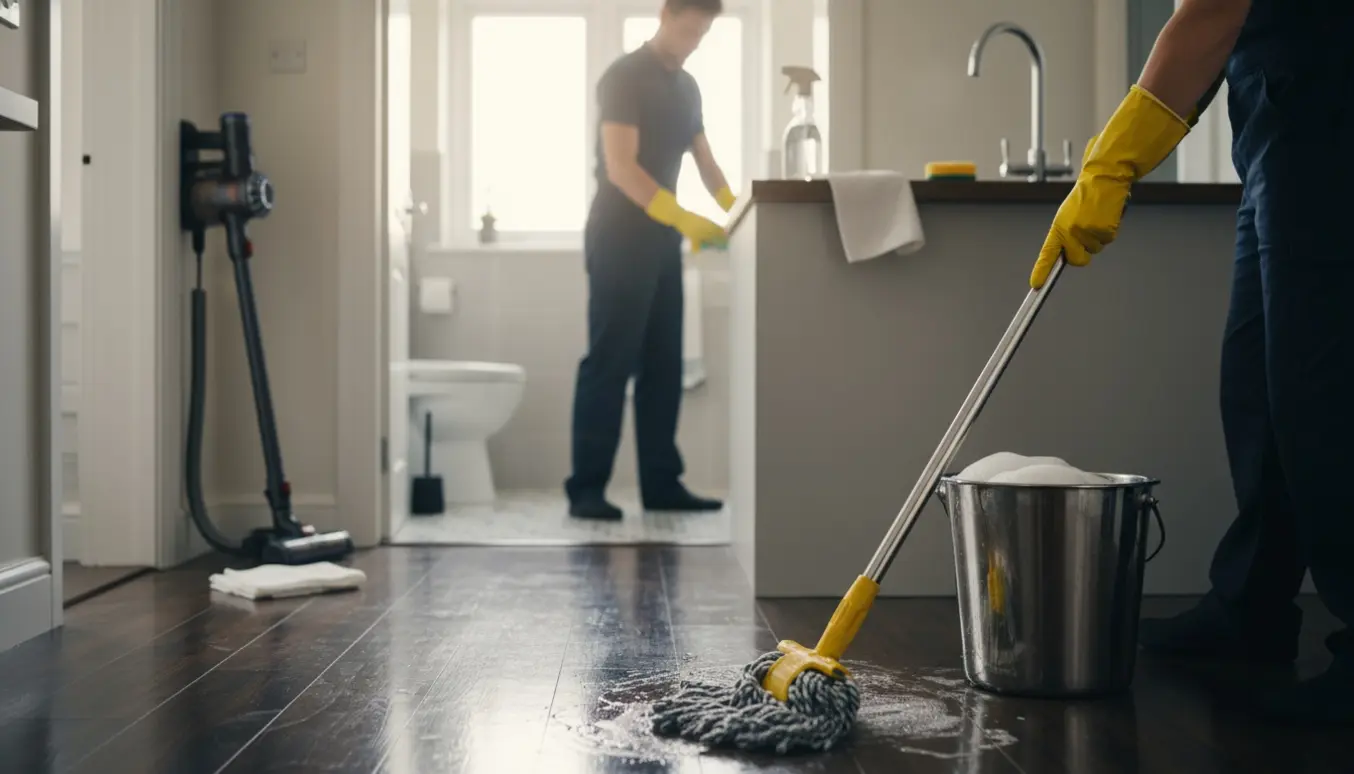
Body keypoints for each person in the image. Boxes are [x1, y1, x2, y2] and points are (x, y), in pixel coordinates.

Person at [1034, 0, 1353, 726]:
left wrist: (1113, 159)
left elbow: (1213, 8)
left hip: (1327, 114)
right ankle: (1251, 605)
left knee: (1320, 394)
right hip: (1274, 121)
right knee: (1259, 387)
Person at [565, 0, 734, 521]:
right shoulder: (623, 76)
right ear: (666, 14)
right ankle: (587, 490)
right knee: (611, 360)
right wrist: (684, 218)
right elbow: (621, 167)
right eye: (690, 27)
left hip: (662, 241)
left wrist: (739, 212)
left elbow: (706, 162)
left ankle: (662, 484)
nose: (695, 39)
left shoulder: (687, 87)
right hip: (618, 235)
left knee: (663, 365)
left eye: (704, 31)